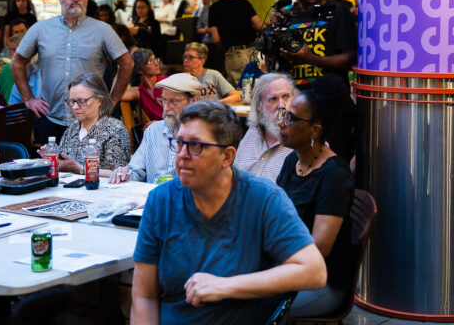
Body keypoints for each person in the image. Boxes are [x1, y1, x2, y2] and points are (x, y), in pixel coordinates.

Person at [131, 100, 327, 323]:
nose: (182, 154)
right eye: (179, 142)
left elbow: (314, 271)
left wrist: (224, 286)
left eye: (195, 146)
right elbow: (144, 296)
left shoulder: (263, 198)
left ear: (227, 156)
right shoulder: (161, 200)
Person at [12, 0, 134, 145]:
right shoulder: (40, 29)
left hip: (92, 121)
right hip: (51, 119)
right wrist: (29, 99)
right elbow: (17, 62)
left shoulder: (103, 30)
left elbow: (127, 63)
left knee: (90, 162)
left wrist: (112, 101)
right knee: (51, 162)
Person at [276, 74, 355, 317]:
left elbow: (320, 248)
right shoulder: (292, 161)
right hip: (291, 268)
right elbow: (275, 214)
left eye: (290, 118)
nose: (281, 123)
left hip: (321, 282)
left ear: (315, 130)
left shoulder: (334, 176)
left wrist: (269, 264)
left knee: (240, 302)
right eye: (284, 114)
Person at [275, 0, 357, 88]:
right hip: (294, 95)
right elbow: (273, 59)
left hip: (329, 95)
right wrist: (274, 28)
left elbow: (350, 58)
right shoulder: (285, 15)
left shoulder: (338, 11)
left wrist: (311, 59)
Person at [109, 73, 201, 184]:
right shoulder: (153, 130)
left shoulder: (205, 136)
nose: (165, 108)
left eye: (174, 101)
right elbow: (136, 170)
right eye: (163, 100)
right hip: (151, 194)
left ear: (194, 101)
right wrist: (125, 173)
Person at [38, 73, 130, 176]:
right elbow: (65, 164)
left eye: (82, 101)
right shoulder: (72, 127)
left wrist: (80, 169)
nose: (75, 107)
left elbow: (119, 174)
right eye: (72, 101)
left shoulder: (114, 129)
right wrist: (55, 160)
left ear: (100, 100)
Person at [234, 73, 297, 181]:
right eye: (273, 99)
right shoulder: (253, 132)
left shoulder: (304, 141)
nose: (282, 105)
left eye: (286, 97)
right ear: (259, 106)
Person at [208, 0, 264, 87]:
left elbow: (216, 39)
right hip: (253, 52)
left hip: (235, 55)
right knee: (257, 87)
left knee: (241, 91)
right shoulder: (244, 3)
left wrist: (227, 49)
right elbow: (259, 26)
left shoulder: (214, 9)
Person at [122, 49, 165, 123]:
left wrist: (157, 124)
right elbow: (115, 96)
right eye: (150, 61)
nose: (157, 64)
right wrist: (124, 65)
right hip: (158, 129)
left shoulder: (167, 83)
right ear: (140, 70)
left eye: (156, 60)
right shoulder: (139, 92)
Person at [0, 33, 24, 103]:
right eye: (10, 49)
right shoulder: (6, 69)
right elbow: (0, 95)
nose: (11, 53)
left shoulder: (35, 70)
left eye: (15, 49)